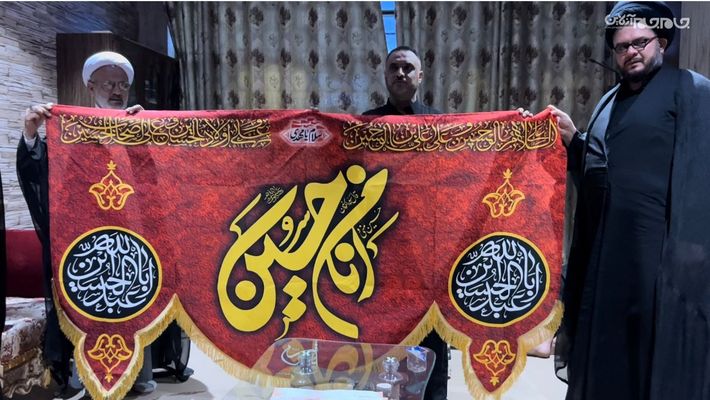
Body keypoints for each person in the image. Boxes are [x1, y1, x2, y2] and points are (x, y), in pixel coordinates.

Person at [550, 2, 710, 399]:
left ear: (662, 42)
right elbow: (600, 174)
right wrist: (575, 141)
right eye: (622, 47)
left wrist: (691, 250)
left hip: (661, 255)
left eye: (640, 42)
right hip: (607, 253)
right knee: (606, 349)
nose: (631, 52)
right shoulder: (610, 101)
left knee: (653, 353)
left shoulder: (691, 90)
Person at [18, 51, 192, 397]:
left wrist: (146, 138)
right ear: (90, 87)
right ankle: (85, 379)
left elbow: (162, 182)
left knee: (134, 307)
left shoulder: (137, 126)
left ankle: (138, 376)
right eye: (109, 83)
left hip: (132, 244)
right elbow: (41, 177)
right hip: (85, 247)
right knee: (86, 311)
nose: (116, 91)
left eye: (122, 85)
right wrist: (31, 133)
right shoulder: (70, 132)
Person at [363, 45, 447, 400]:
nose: (400, 73)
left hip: (428, 253)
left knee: (431, 340)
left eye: (408, 68)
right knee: (383, 341)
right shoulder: (366, 125)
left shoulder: (440, 125)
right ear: (385, 75)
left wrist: (518, 127)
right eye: (394, 67)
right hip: (380, 252)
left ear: (420, 76)